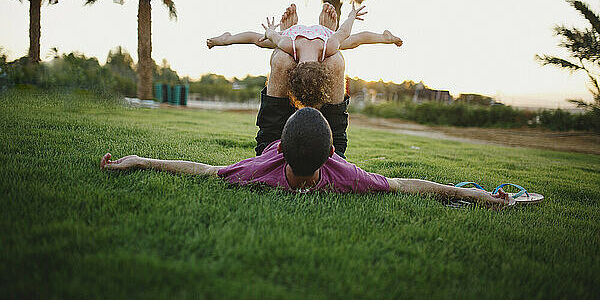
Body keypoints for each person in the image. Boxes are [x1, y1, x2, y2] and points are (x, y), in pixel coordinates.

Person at [100, 107, 511, 207]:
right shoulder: (344, 176)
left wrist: (139, 159)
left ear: (280, 149)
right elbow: (408, 185)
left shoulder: (262, 170)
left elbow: (204, 170)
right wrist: (480, 197)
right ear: (332, 153)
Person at [207, 3, 403, 108]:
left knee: (257, 40)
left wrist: (351, 17)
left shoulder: (327, 48)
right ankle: (227, 39)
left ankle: (227, 39)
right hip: (306, 33)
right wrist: (270, 33)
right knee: (256, 39)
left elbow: (346, 33)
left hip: (309, 33)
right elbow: (346, 33)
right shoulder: (291, 47)